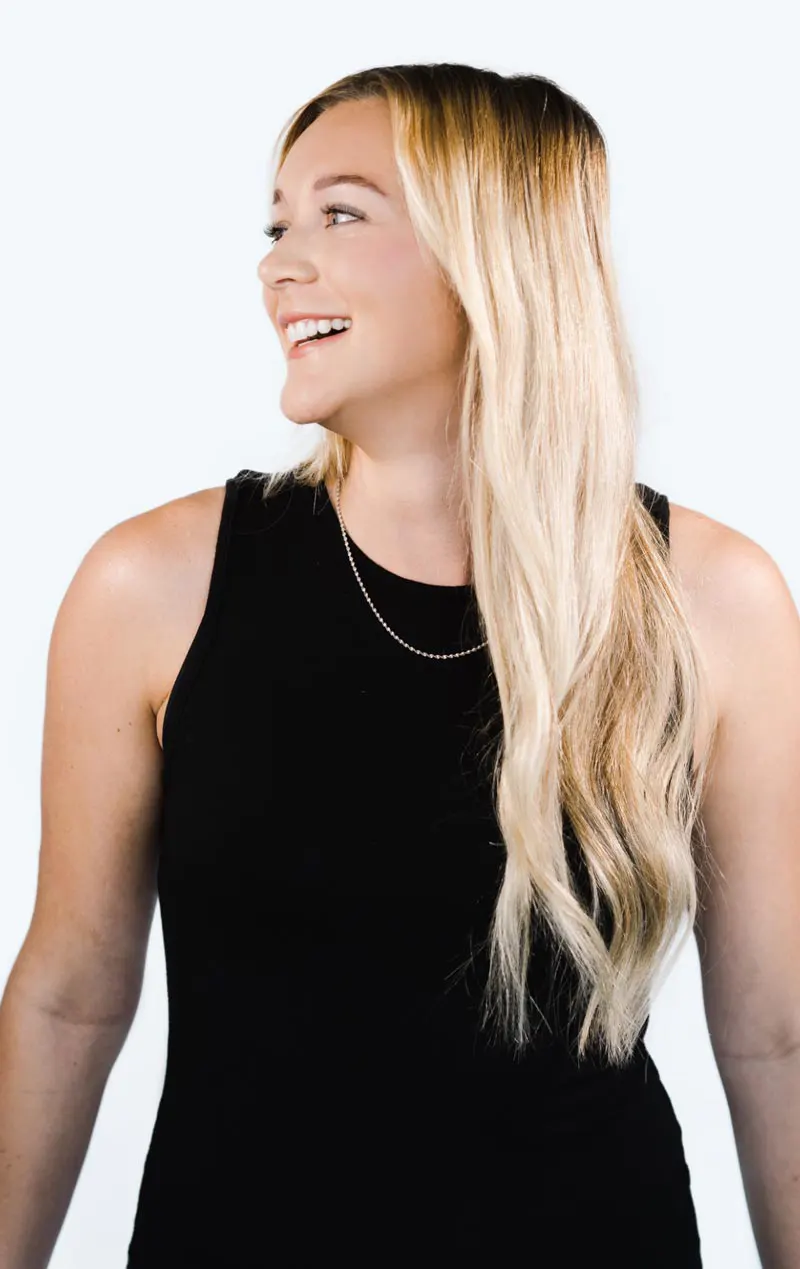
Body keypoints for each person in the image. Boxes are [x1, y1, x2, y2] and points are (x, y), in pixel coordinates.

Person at [1, 62, 798, 1269]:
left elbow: (773, 1034)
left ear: (491, 254)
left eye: (339, 213)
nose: (277, 266)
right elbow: (68, 1000)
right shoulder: (151, 590)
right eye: (276, 224)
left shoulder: (707, 601)